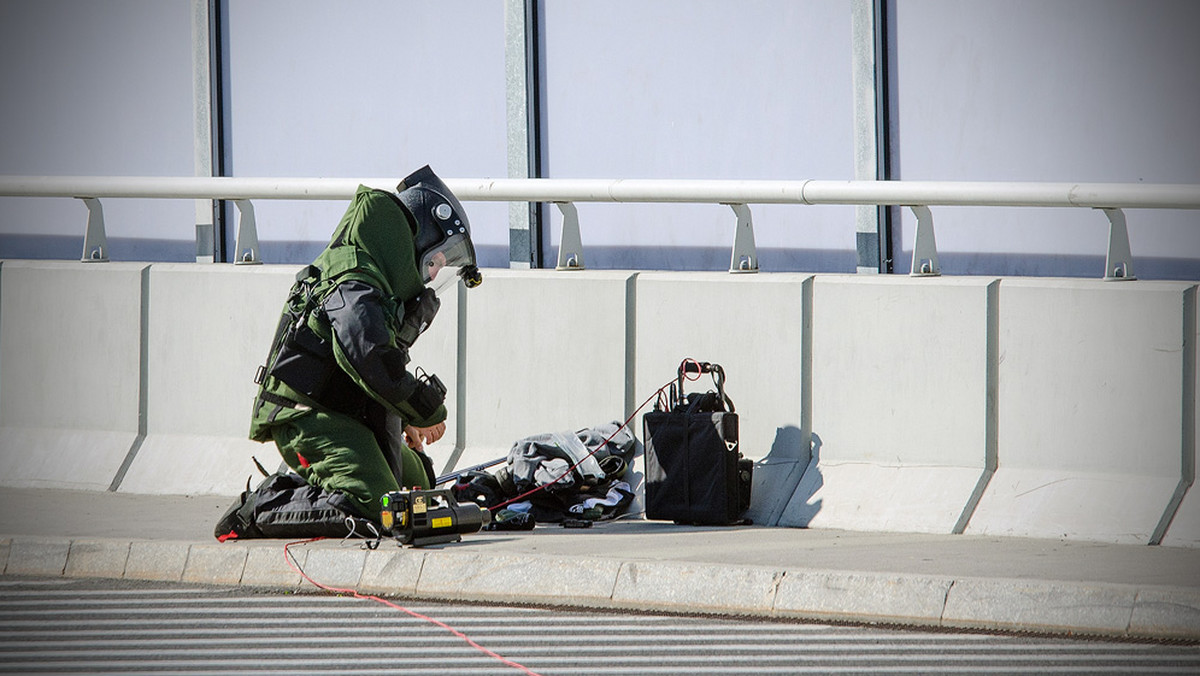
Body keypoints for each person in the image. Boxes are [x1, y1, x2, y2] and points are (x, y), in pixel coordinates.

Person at [215, 166, 482, 540]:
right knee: (383, 511)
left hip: (345, 414)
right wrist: (425, 412)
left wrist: (406, 423)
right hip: (309, 417)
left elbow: (369, 369)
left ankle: (333, 480)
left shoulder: (376, 275)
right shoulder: (355, 279)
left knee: (422, 488)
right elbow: (370, 359)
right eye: (436, 260)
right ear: (417, 238)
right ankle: (260, 508)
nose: (434, 274)